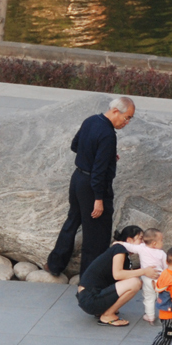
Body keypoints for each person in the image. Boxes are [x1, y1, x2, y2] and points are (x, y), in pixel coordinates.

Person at [46, 96, 136, 276]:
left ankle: (54, 264)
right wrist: (98, 199)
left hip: (78, 179)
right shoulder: (108, 134)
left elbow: (75, 145)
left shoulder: (91, 121)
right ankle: (89, 279)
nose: (126, 123)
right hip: (93, 187)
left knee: (72, 222)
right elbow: (99, 173)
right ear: (116, 111)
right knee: (96, 235)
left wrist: (106, 155)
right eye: (127, 118)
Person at [75, 225, 159, 328]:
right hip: (89, 299)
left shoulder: (123, 254)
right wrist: (144, 271)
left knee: (135, 281)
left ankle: (104, 311)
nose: (143, 243)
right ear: (129, 240)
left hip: (89, 299)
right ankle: (107, 315)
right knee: (135, 282)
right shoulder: (119, 249)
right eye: (140, 239)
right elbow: (118, 274)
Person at [125, 228, 168, 323]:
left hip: (147, 279)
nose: (163, 243)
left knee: (149, 298)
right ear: (154, 243)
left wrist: (119, 243)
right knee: (163, 297)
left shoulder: (141, 248)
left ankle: (150, 316)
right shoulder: (161, 253)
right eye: (161, 240)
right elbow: (166, 267)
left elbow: (129, 247)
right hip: (159, 278)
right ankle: (165, 315)